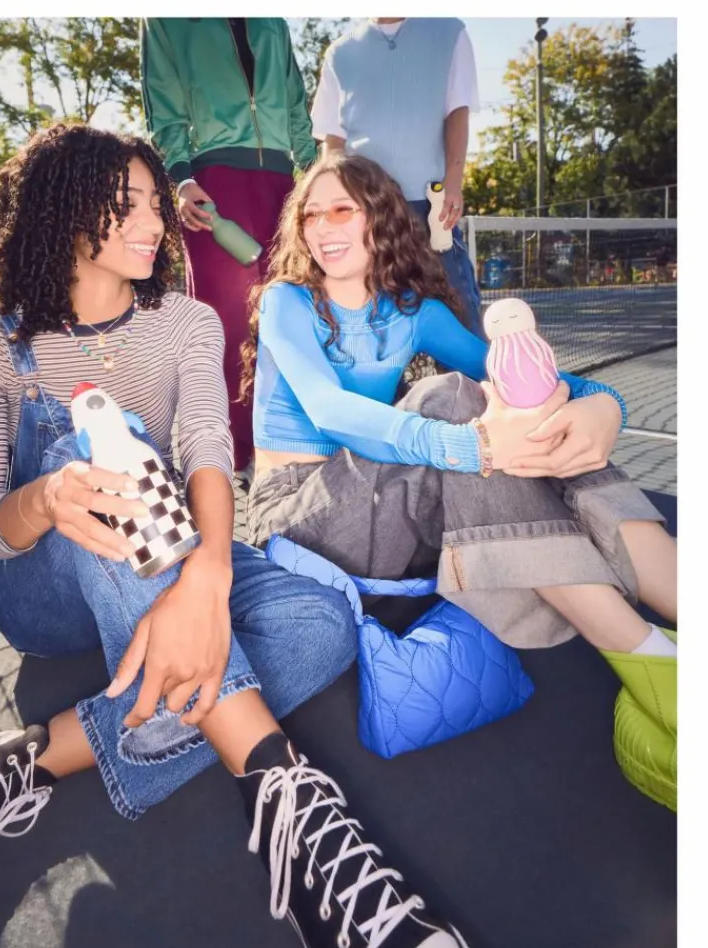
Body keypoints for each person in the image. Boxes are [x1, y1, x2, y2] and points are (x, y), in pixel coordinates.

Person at [0, 124, 496, 948]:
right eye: (126, 204)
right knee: (100, 444)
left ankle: (10, 763)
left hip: (175, 548)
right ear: (62, 214)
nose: (155, 221)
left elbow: (209, 449)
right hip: (42, 585)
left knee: (322, 625)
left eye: (153, 203)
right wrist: (52, 497)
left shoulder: (184, 320)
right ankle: (298, 811)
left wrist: (209, 579)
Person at [241, 152, 677, 692]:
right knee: (450, 398)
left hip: (388, 517)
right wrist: (477, 447)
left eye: (342, 210)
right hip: (298, 522)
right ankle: (651, 659)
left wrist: (603, 404)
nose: (322, 227)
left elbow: (511, 376)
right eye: (311, 215)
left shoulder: (413, 311)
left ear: (380, 218)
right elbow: (329, 410)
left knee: (511, 411)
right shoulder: (290, 300)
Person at [140, 17, 318, 484]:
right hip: (213, 185)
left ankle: (296, 437)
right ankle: (240, 453)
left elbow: (297, 107)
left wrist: (317, 175)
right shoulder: (166, 20)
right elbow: (164, 104)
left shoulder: (273, 24)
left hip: (284, 185)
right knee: (230, 323)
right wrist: (180, 177)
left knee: (295, 313)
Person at [311, 17, 485, 339]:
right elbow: (332, 142)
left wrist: (453, 183)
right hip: (365, 213)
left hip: (429, 206)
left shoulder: (449, 32)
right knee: (372, 323)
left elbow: (457, 113)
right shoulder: (340, 52)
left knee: (459, 312)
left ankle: (476, 389)